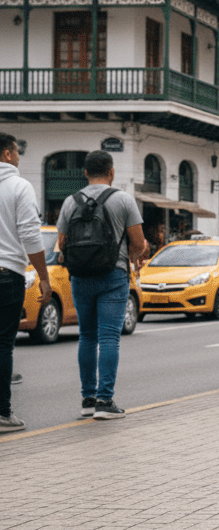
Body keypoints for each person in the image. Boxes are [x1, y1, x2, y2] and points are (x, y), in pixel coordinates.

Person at [56, 149, 145, 420]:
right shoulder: (123, 200)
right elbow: (139, 244)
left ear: (85, 173)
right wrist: (133, 255)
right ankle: (105, 402)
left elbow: (61, 244)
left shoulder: (70, 202)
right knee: (108, 337)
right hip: (113, 275)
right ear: (111, 172)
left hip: (80, 276)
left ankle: (88, 399)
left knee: (87, 335)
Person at [0, 134, 52, 432]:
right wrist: (43, 277)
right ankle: (3, 413)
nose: (18, 156)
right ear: (7, 154)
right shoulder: (19, 186)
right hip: (6, 273)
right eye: (17, 151)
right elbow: (31, 237)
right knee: (3, 344)